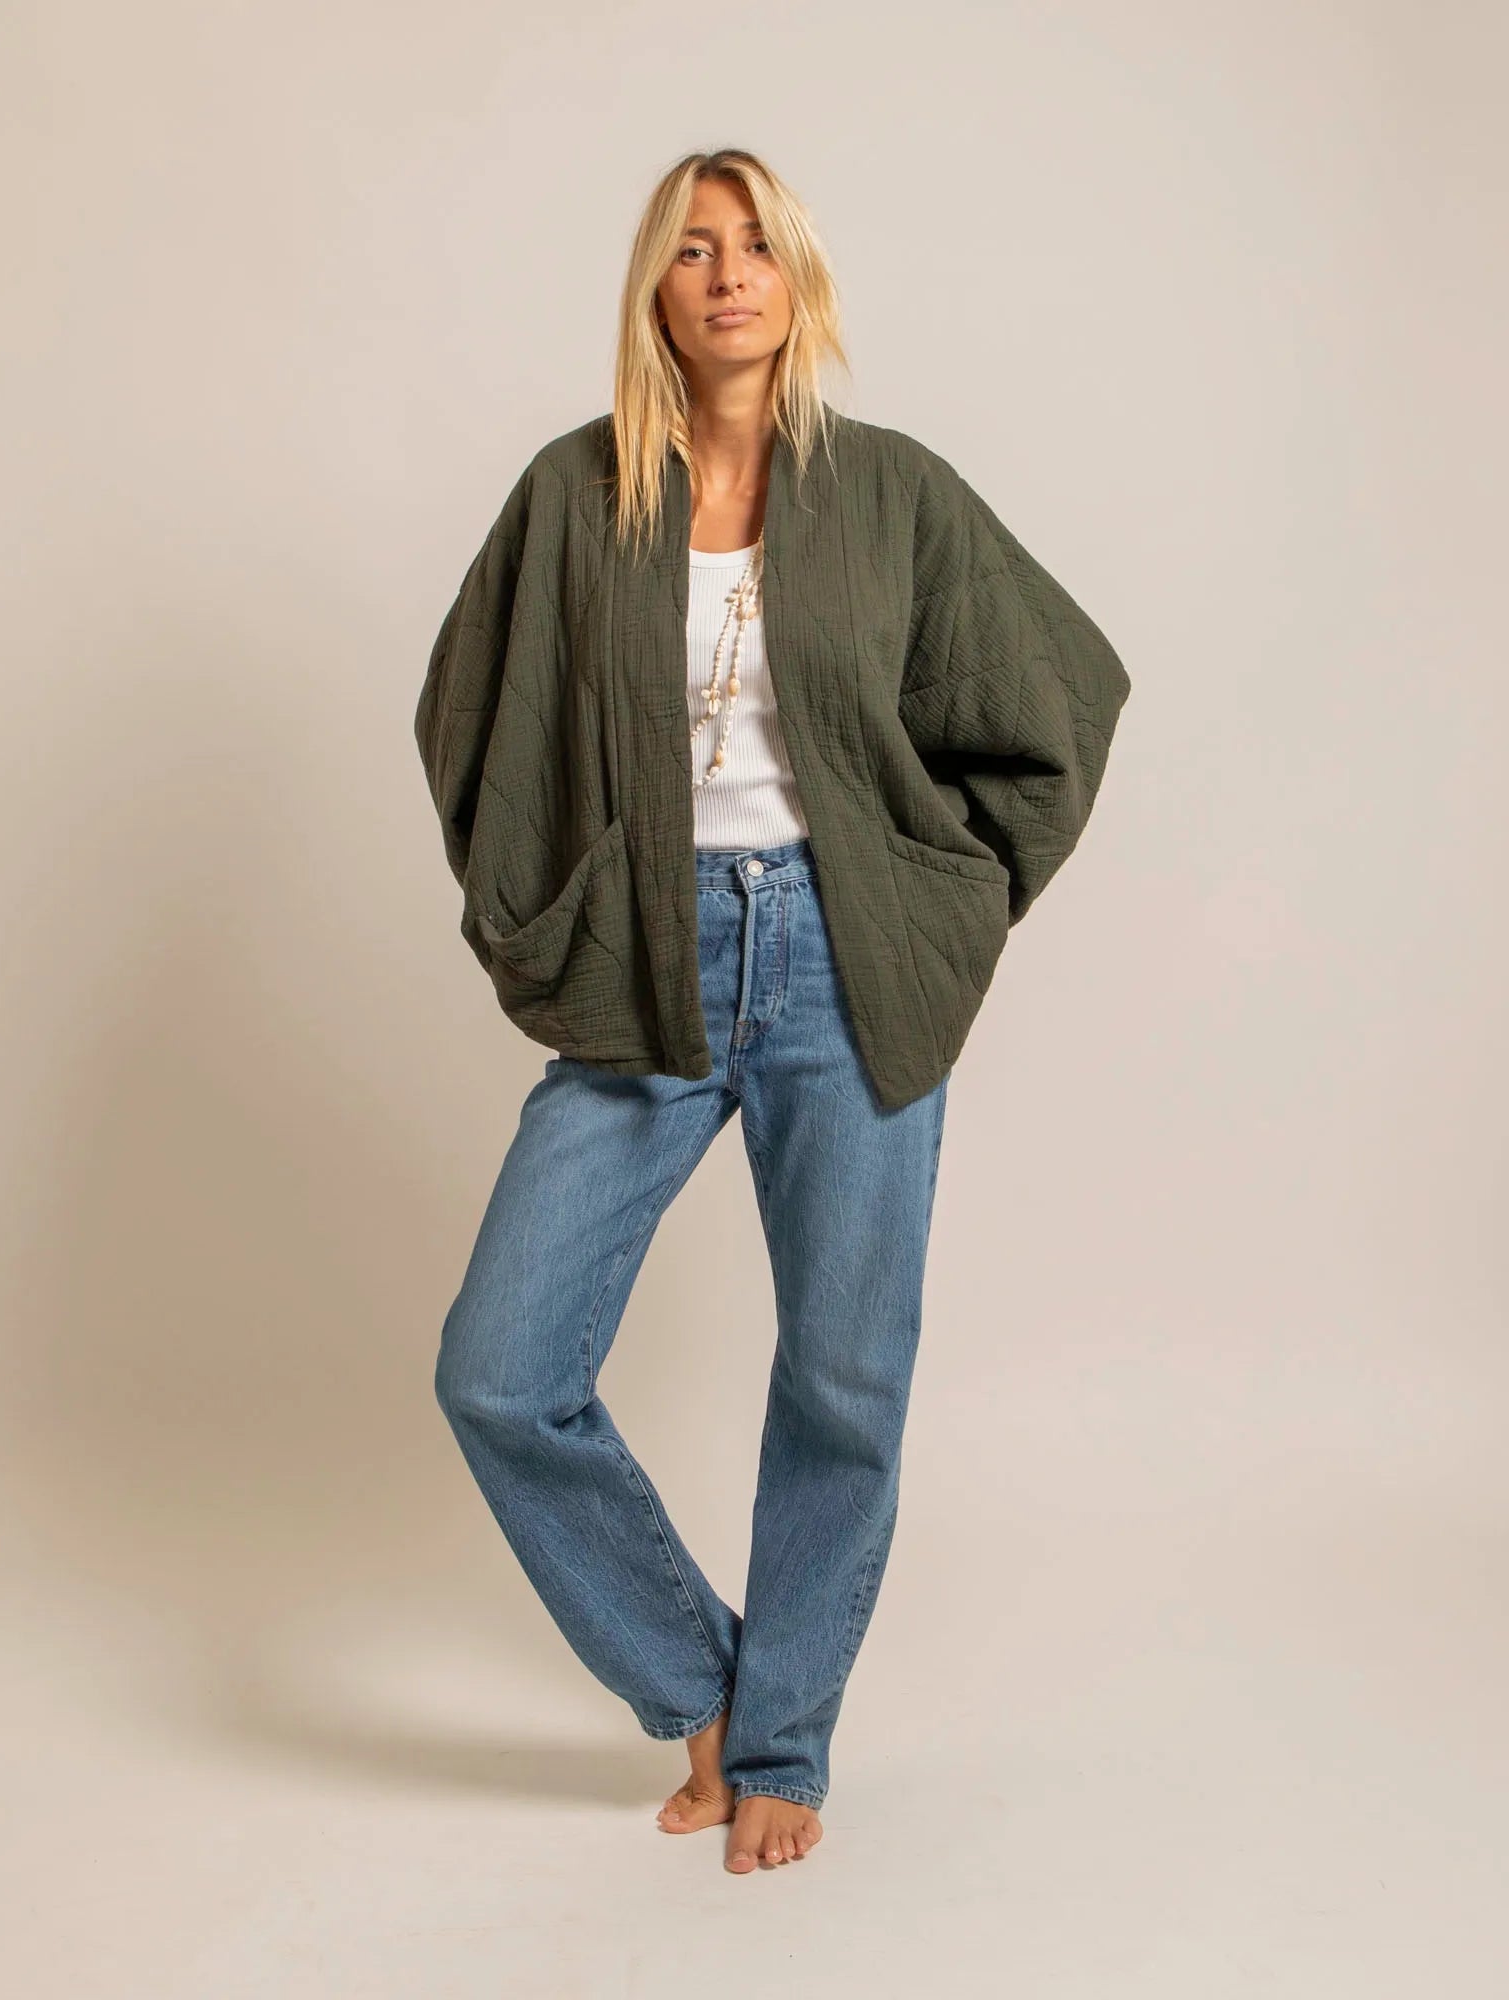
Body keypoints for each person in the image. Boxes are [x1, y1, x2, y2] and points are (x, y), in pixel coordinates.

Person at [414, 149, 1132, 1875]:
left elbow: (1058, 695)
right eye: (691, 249)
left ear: (795, 276)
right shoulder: (575, 493)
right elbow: (471, 716)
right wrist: (550, 917)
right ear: (653, 292)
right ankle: (703, 1689)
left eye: (754, 246)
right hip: (647, 964)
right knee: (500, 1371)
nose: (727, 274)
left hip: (842, 958)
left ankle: (786, 1742)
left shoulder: (892, 492)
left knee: (842, 1375)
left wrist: (940, 903)